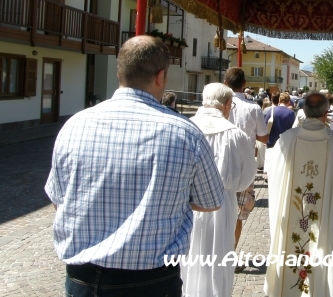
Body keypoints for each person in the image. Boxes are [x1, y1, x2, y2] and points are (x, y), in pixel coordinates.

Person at [45, 35, 224, 297]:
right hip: (151, 280)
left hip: (83, 277)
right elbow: (211, 201)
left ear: (121, 72)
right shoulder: (184, 132)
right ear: (160, 77)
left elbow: (58, 199)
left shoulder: (75, 125)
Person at [264, 92, 333, 297]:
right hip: (324, 219)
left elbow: (274, 178)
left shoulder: (287, 140)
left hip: (293, 211)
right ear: (327, 113)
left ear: (303, 111)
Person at [182, 83, 256, 297]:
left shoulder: (184, 127)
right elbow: (246, 179)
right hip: (222, 203)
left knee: (188, 256)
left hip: (187, 203)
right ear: (227, 104)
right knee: (218, 257)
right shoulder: (237, 135)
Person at [223, 67, 269, 263]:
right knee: (238, 215)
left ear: (225, 83)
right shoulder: (253, 108)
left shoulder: (218, 104)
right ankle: (231, 253)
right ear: (244, 84)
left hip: (221, 162)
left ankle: (216, 253)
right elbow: (264, 137)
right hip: (244, 166)